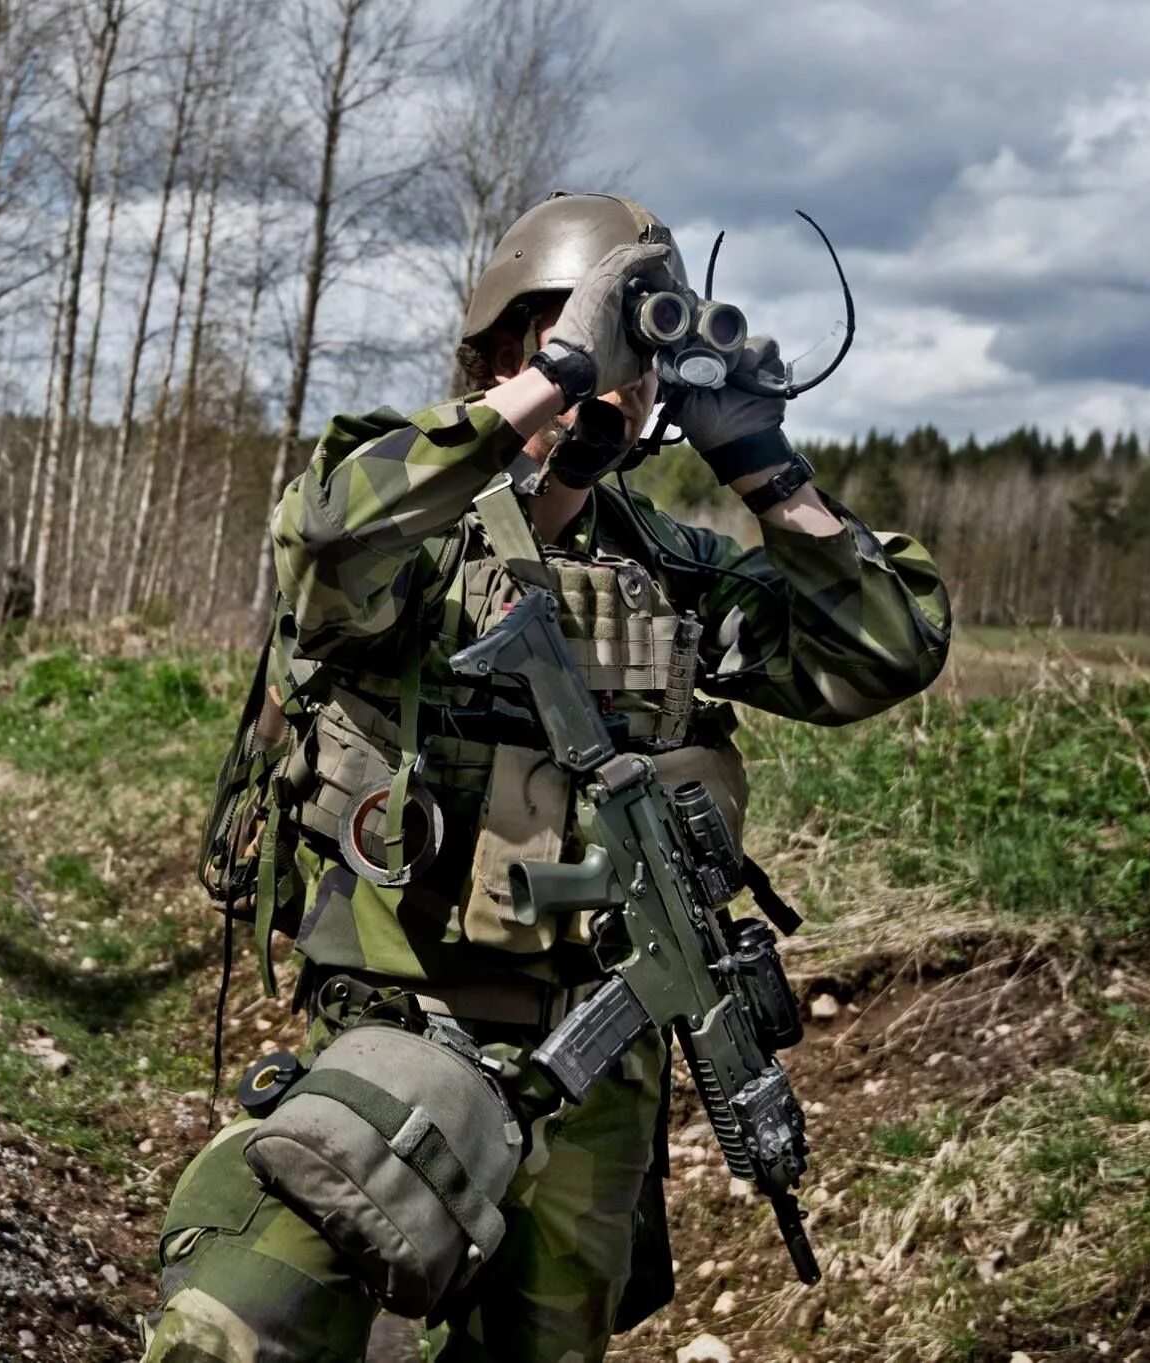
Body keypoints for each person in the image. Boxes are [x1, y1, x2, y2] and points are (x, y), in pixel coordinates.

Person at [147, 192, 951, 1362]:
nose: (606, 384)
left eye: (634, 358)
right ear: (495, 354)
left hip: (594, 1070)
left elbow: (884, 650)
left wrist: (765, 468)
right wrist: (559, 369)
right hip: (400, 1030)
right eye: (561, 336)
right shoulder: (411, 537)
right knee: (236, 1329)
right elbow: (324, 542)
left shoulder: (671, 574)